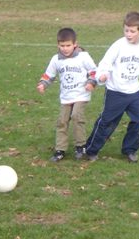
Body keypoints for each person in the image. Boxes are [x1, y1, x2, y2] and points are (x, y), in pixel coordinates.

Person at [83, 11, 139, 162]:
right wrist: (102, 75)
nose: (128, 34)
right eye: (126, 30)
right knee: (107, 122)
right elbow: (105, 63)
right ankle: (91, 149)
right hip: (115, 91)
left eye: (132, 31)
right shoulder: (118, 45)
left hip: (133, 92)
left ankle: (130, 150)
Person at [37, 27, 98, 161]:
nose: (65, 48)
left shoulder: (83, 57)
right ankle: (60, 150)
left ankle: (80, 146)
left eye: (68, 45)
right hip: (66, 97)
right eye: (62, 45)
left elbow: (94, 71)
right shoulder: (56, 59)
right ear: (58, 45)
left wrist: (91, 82)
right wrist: (43, 84)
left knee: (77, 116)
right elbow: (49, 75)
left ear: (75, 44)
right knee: (62, 122)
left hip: (81, 95)